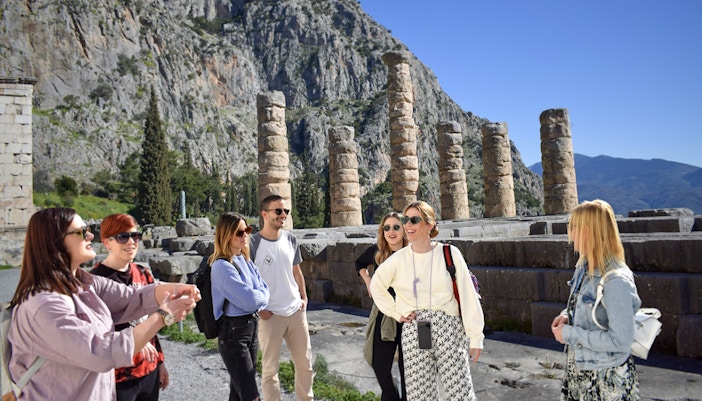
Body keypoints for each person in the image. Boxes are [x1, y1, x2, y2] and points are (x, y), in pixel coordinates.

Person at [8, 208, 200, 401]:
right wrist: (162, 317)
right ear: (56, 242)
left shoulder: (84, 284)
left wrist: (176, 289)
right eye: (82, 232)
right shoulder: (43, 306)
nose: (91, 235)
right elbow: (100, 352)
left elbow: (135, 297)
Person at [370, 201, 484, 401]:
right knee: (419, 396)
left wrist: (476, 336)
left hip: (448, 327)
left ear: (430, 225)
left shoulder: (449, 253)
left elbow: (468, 295)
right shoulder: (399, 259)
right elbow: (376, 286)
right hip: (414, 329)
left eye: (414, 220)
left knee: (461, 394)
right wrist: (397, 313)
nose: (408, 225)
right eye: (405, 220)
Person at [551, 199, 641, 400]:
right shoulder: (584, 266)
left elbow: (620, 341)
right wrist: (566, 315)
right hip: (581, 371)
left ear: (588, 231)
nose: (570, 233)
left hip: (605, 380)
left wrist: (570, 334)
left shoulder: (616, 280)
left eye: (574, 226)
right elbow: (583, 306)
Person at [90, 214, 169, 401]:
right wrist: (133, 340)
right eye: (122, 237)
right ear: (107, 242)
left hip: (148, 369)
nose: (131, 242)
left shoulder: (143, 273)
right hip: (118, 376)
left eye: (135, 236)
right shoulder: (95, 281)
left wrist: (161, 362)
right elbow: (95, 334)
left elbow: (152, 323)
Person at [249, 195, 314, 401]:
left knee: (305, 365)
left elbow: (296, 271)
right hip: (270, 315)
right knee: (270, 370)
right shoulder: (253, 243)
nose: (283, 215)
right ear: (265, 214)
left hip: (295, 312)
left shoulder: (291, 239)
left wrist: (304, 298)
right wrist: (259, 309)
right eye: (278, 211)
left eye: (286, 211)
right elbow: (247, 278)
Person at [209, 212, 270, 401]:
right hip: (233, 334)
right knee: (250, 394)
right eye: (239, 232)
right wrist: (259, 296)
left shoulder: (245, 261)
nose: (245, 235)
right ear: (226, 235)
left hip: (251, 329)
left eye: (247, 230)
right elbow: (252, 300)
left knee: (238, 392)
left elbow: (264, 292)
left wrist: (258, 296)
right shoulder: (221, 267)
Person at [355, 212, 408, 401]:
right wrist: (368, 280)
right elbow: (359, 263)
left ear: (404, 229)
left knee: (407, 369)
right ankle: (391, 396)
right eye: (387, 228)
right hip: (384, 314)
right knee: (379, 364)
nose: (391, 231)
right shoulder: (377, 251)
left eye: (396, 227)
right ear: (382, 231)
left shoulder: (413, 252)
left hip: (409, 316)